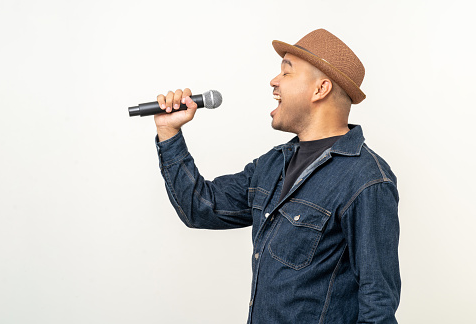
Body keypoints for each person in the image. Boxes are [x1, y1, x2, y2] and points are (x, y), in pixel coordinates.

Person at [153, 29, 401, 323]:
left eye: (286, 72)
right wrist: (169, 132)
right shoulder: (272, 164)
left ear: (320, 89)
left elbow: (377, 305)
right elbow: (200, 208)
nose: (273, 81)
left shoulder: (367, 179)